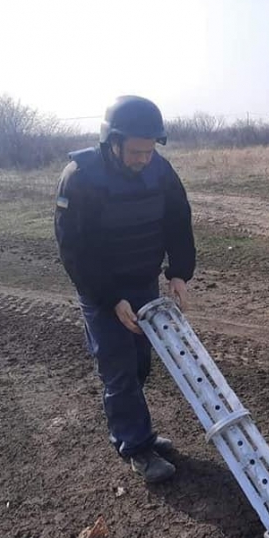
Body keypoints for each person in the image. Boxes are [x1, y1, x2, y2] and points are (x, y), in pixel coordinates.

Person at [54, 95, 196, 483]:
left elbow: (178, 220)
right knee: (118, 369)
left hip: (143, 282)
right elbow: (74, 250)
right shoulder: (80, 178)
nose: (143, 159)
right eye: (136, 152)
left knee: (140, 364)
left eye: (149, 151)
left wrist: (179, 272)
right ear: (112, 142)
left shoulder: (160, 171)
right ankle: (135, 446)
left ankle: (139, 432)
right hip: (104, 291)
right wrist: (109, 297)